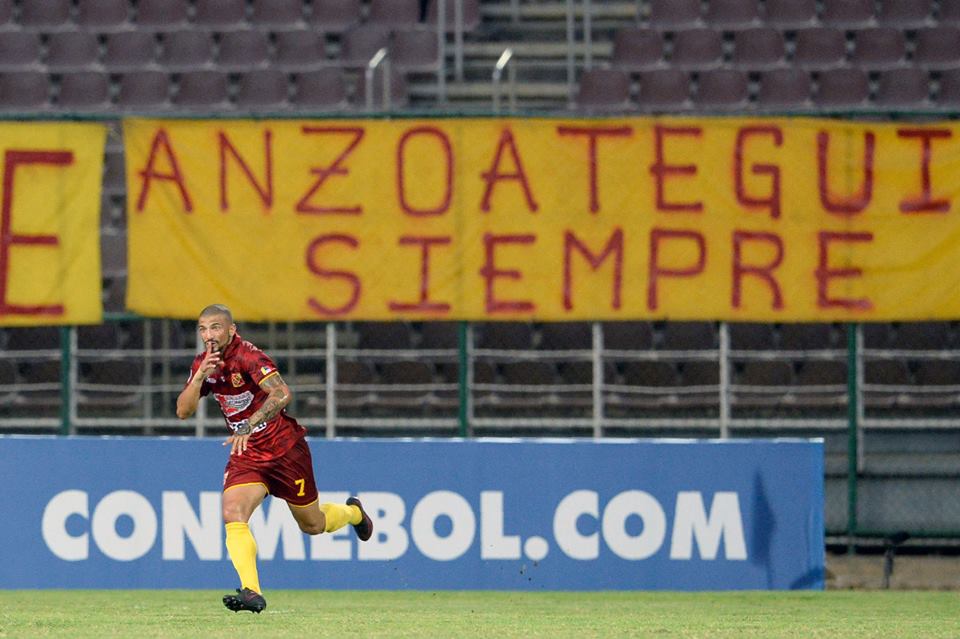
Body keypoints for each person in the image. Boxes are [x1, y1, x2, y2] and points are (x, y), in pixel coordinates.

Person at [176, 304, 373, 614]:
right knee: (232, 512)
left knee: (313, 524)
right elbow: (183, 411)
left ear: (231, 329)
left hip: (284, 450)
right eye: (203, 329)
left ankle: (353, 514)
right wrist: (199, 378)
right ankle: (251, 591)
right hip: (248, 453)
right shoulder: (204, 364)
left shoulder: (250, 356)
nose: (208, 335)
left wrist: (249, 424)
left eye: (215, 328)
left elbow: (281, 393)